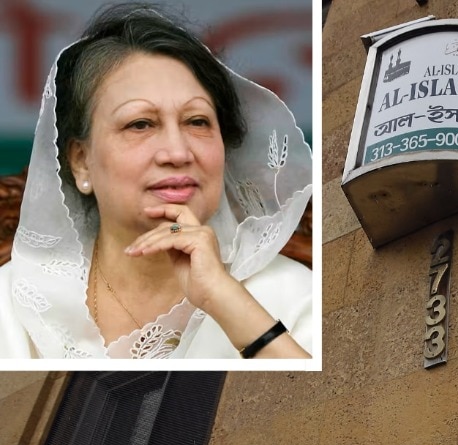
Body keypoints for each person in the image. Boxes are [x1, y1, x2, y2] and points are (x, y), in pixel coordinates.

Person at [0, 3, 313, 359]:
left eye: (197, 122)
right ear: (81, 161)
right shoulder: (14, 303)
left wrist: (226, 302)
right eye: (140, 124)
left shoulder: (296, 296)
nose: (178, 152)